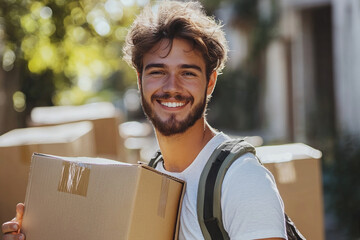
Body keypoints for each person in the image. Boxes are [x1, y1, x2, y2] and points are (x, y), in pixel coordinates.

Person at [2, 1, 287, 239]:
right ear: (139, 81)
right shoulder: (150, 177)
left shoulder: (242, 181)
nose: (171, 86)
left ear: (210, 82)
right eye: (157, 72)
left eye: (188, 73)